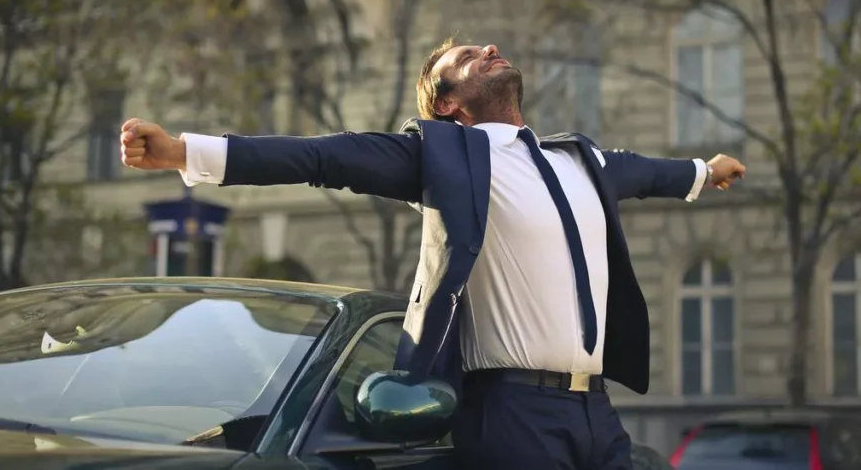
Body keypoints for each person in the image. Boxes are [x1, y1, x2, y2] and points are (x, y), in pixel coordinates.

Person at [119, 37, 746, 470]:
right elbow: (323, 157)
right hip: (511, 413)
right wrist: (185, 152)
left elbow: (649, 172)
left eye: (486, 48)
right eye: (469, 58)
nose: (489, 50)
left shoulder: (579, 158)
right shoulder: (445, 158)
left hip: (598, 409)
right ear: (448, 104)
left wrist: (704, 170)